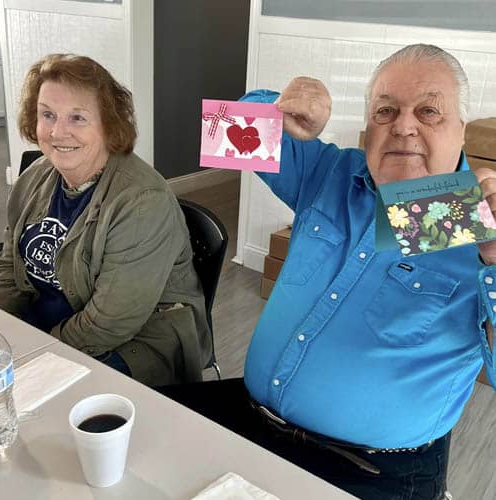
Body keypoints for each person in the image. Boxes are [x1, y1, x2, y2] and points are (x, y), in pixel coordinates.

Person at [159, 44, 495, 499]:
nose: (403, 125)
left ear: (461, 131)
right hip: (257, 421)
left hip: (369, 470)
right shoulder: (334, 174)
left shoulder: (479, 224)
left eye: (429, 111)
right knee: (138, 435)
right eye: (385, 110)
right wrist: (279, 106)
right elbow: (225, 130)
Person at [0, 54, 211, 386]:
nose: (57, 131)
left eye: (78, 118)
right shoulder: (35, 177)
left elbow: (110, 323)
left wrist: (34, 360)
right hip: (48, 328)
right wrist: (4, 333)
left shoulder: (141, 201)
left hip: (134, 343)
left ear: (109, 125)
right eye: (47, 114)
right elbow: (8, 269)